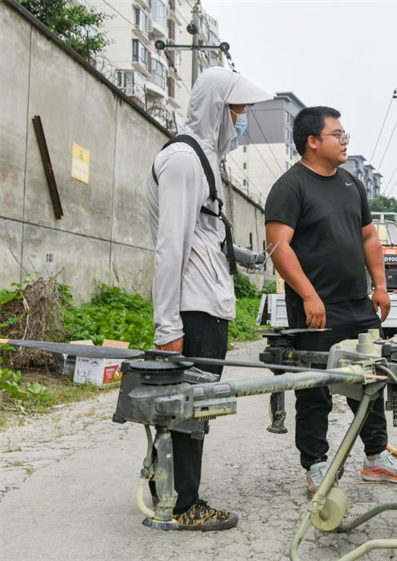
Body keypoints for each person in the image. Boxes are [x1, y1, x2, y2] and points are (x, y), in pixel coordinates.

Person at [264, 106, 397, 494]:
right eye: (337, 134)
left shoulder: (351, 184)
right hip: (315, 309)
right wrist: (310, 297)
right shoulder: (291, 186)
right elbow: (279, 247)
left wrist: (380, 286)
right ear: (313, 142)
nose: (345, 140)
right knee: (314, 387)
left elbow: (369, 237)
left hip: (357, 304)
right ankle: (316, 466)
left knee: (369, 380)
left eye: (345, 134)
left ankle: (376, 457)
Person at [147, 67, 271, 529]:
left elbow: (205, 235)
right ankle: (183, 505)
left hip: (208, 306)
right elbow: (169, 246)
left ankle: (172, 492)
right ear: (217, 109)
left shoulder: (204, 161)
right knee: (189, 407)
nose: (239, 121)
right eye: (236, 111)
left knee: (194, 408)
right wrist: (168, 327)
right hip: (192, 310)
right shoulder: (183, 159)